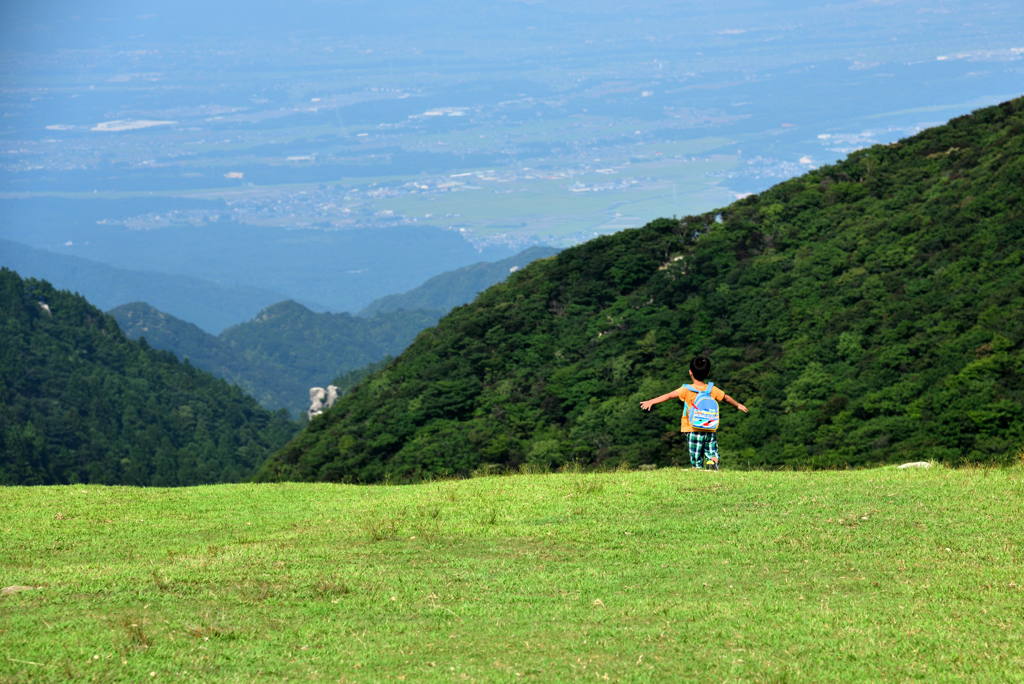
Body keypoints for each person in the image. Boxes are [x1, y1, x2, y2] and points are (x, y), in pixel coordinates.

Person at [639, 356, 747, 469]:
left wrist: (651, 401)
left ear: (690, 372)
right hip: (710, 427)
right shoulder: (712, 389)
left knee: (696, 458)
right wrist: (738, 405)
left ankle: (698, 470)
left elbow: (669, 396)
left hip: (693, 429)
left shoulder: (686, 389)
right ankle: (712, 462)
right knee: (713, 452)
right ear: (708, 373)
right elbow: (726, 398)